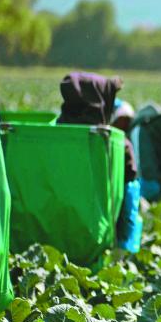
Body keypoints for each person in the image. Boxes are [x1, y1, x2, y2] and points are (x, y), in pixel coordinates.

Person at [57, 72, 141, 253]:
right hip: (97, 245)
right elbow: (129, 205)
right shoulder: (118, 145)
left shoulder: (48, 137)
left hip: (49, 238)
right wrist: (126, 249)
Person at [111, 99, 143, 253]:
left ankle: (125, 252)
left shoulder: (125, 145)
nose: (122, 126)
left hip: (128, 188)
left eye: (125, 122)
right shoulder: (112, 142)